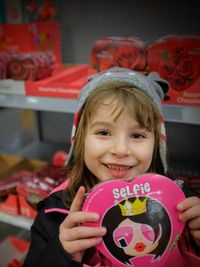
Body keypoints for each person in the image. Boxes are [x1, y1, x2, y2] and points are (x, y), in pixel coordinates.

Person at [23, 67, 200, 267]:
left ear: (156, 146)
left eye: (137, 135)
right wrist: (61, 253)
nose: (121, 150)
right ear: (80, 141)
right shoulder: (54, 214)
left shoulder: (182, 204)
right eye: (104, 132)